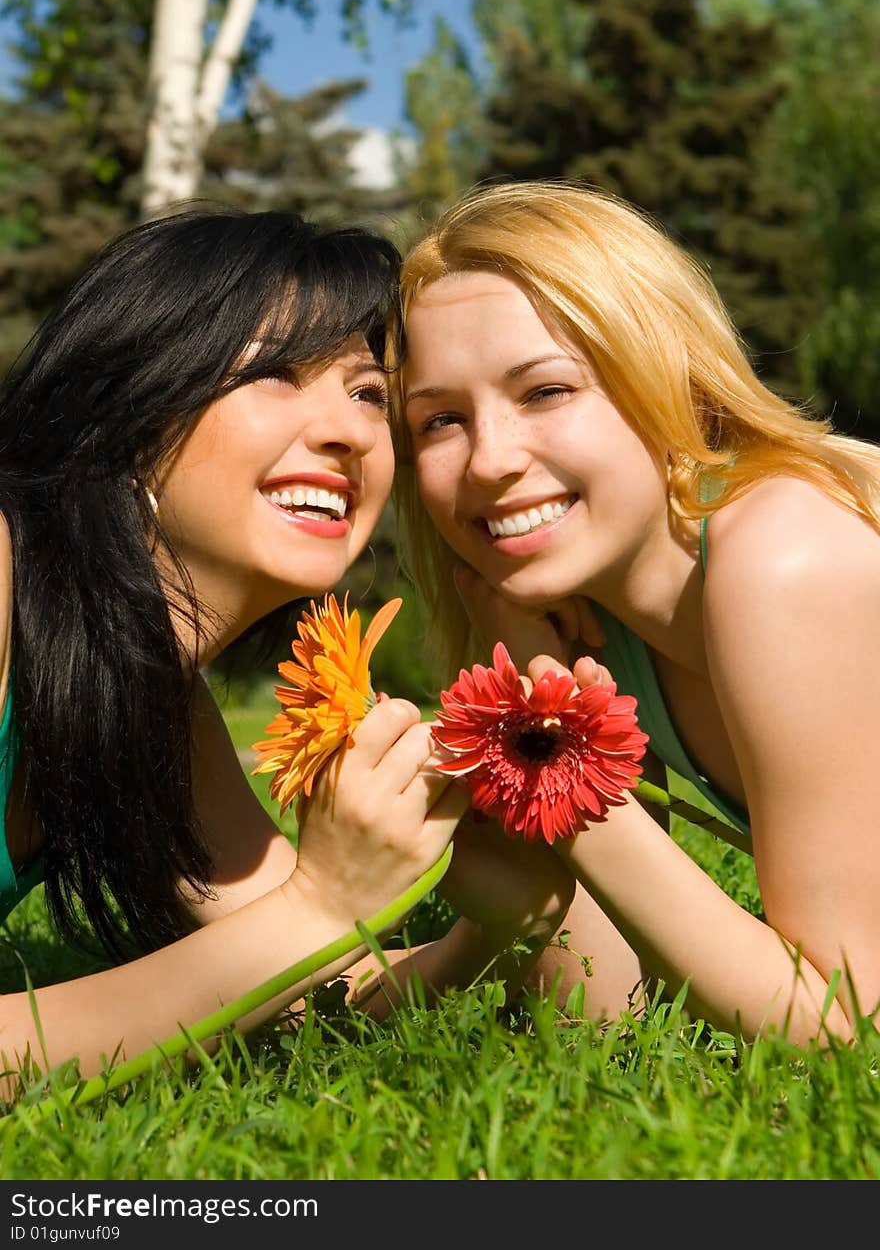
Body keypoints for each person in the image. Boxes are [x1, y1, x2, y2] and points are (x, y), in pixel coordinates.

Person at [0, 203, 573, 1103]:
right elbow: (300, 930)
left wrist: (493, 929)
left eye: (367, 393)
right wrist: (321, 904)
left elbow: (313, 989)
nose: (348, 431)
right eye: (275, 373)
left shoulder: (148, 695)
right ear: (128, 403)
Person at [392, 178, 880, 1047]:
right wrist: (543, 708)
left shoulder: (785, 555)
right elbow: (601, 1006)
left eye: (545, 391)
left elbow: (846, 1022)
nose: (489, 461)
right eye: (440, 421)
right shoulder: (596, 620)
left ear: (675, 382)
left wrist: (556, 762)